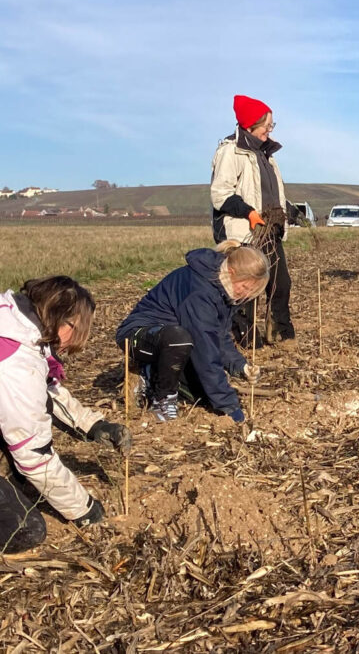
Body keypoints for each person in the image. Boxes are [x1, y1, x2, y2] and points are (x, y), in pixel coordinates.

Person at [0, 277, 131, 552]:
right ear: (62, 320)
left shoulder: (15, 321)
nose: (78, 340)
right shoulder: (16, 364)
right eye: (79, 329)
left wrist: (93, 426)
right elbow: (32, 456)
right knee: (26, 528)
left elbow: (46, 392)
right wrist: (84, 509)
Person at [116, 241, 268, 423]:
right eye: (245, 288)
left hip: (175, 342)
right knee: (178, 339)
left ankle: (158, 374)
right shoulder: (200, 293)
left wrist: (239, 365)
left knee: (199, 394)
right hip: (139, 336)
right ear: (232, 273)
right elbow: (205, 349)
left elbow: (217, 336)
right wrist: (229, 406)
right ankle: (160, 395)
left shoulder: (222, 290)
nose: (245, 295)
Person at [210, 94, 294, 346]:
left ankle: (279, 331)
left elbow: (271, 192)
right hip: (244, 231)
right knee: (247, 286)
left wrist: (286, 211)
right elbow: (220, 194)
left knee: (281, 283)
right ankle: (246, 338)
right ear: (250, 124)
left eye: (272, 125)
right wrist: (249, 212)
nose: (270, 130)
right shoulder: (230, 151)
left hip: (269, 230)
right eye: (266, 125)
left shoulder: (267, 155)